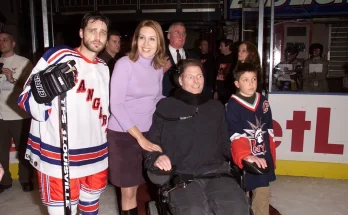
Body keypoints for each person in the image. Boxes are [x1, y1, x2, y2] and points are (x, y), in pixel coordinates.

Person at [17, 12, 110, 215]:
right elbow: (25, 98)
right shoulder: (59, 56)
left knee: (91, 207)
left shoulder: (104, 67)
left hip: (97, 154)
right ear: (80, 32)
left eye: (103, 32)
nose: (98, 36)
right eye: (92, 30)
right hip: (59, 155)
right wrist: (43, 93)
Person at [144, 59, 249, 215]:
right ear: (180, 80)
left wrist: (245, 155)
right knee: (194, 211)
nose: (196, 81)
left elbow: (226, 144)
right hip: (182, 175)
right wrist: (156, 157)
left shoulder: (215, 107)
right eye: (190, 77)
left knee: (238, 209)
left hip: (216, 173)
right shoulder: (166, 107)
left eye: (199, 76)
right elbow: (152, 142)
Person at [108, 20, 166, 215]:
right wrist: (139, 138)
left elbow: (157, 98)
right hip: (124, 135)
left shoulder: (157, 68)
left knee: (146, 184)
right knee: (129, 191)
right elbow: (116, 105)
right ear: (135, 40)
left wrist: (181, 103)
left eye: (152, 38)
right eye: (142, 37)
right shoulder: (124, 64)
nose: (146, 44)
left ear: (159, 43)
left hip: (148, 132)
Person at [226, 63, 276, 215]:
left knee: (262, 193)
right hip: (244, 157)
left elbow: (269, 129)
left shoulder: (263, 101)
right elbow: (234, 133)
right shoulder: (232, 105)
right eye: (245, 80)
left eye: (253, 79)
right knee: (242, 192)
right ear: (237, 83)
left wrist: (271, 155)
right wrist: (245, 155)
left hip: (262, 155)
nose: (251, 83)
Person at [0, 31, 33, 193]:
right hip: (0, 115)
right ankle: (4, 180)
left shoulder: (24, 62)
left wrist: (12, 79)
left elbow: (31, 87)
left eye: (5, 40)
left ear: (13, 43)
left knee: (23, 150)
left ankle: (26, 179)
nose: (2, 42)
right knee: (1, 151)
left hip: (19, 114)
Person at [162, 22, 197, 96]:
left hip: (188, 100)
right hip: (167, 100)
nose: (181, 36)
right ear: (169, 36)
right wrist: (160, 71)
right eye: (177, 33)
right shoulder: (159, 56)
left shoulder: (194, 57)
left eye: (183, 33)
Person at [214, 39, 236, 104]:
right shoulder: (219, 59)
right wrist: (216, 91)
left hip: (231, 91)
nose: (219, 47)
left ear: (227, 46)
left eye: (221, 45)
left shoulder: (235, 58)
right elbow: (216, 75)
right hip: (220, 91)